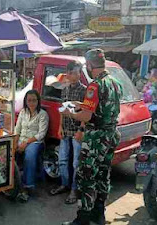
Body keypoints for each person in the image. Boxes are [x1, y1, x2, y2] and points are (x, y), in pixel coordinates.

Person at [62, 49, 122, 225]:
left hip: (96, 137)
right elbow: (103, 106)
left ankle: (84, 219)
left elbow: (86, 116)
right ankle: (99, 214)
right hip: (111, 135)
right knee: (103, 174)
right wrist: (81, 104)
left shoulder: (94, 85)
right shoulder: (115, 82)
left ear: (89, 65)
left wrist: (69, 113)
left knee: (86, 176)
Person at [49, 61, 86, 205]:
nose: (73, 75)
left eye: (76, 72)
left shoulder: (84, 91)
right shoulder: (64, 89)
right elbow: (62, 110)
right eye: (71, 73)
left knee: (77, 163)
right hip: (65, 129)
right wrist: (60, 127)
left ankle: (74, 190)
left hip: (77, 131)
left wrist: (81, 129)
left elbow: (86, 113)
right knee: (62, 160)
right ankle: (64, 184)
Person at [14, 90, 49, 202]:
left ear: (38, 101)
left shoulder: (43, 114)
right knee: (7, 151)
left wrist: (26, 143)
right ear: (25, 101)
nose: (32, 102)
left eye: (34, 100)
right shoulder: (23, 112)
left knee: (30, 156)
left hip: (34, 142)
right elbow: (17, 129)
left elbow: (41, 134)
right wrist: (15, 143)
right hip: (21, 140)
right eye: (29, 100)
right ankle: (8, 184)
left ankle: (27, 187)